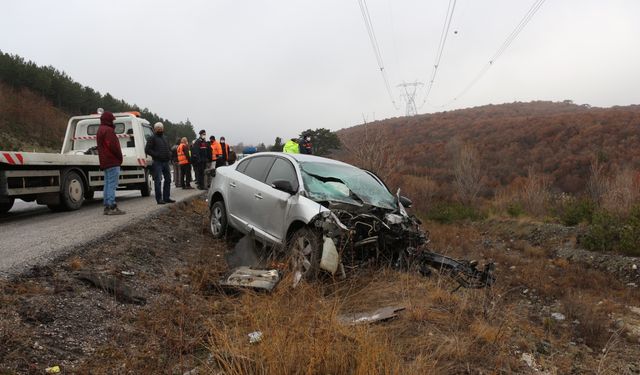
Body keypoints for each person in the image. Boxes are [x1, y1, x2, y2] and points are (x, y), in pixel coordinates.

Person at [96, 111, 125, 215]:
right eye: (112, 120)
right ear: (109, 120)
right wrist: (120, 157)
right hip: (112, 161)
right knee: (112, 185)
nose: (113, 121)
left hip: (105, 161)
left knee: (107, 184)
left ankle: (107, 206)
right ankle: (112, 206)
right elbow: (113, 146)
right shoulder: (108, 131)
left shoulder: (100, 130)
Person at [145, 122, 175, 205]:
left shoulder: (165, 138)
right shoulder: (152, 138)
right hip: (157, 162)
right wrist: (156, 155)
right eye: (158, 128)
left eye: (161, 128)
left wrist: (170, 154)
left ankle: (166, 197)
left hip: (166, 162)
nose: (160, 129)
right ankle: (159, 199)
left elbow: (168, 148)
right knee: (158, 180)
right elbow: (147, 149)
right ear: (155, 129)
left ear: (163, 128)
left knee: (168, 179)